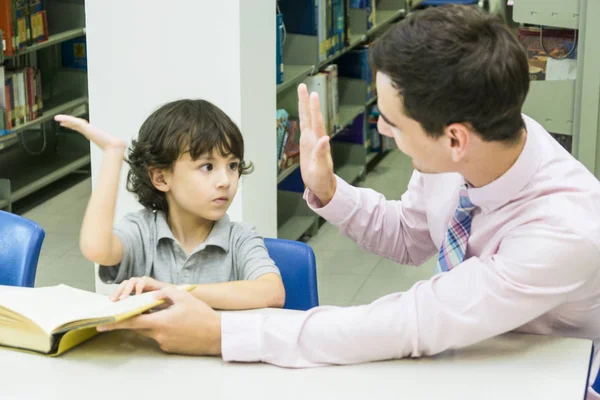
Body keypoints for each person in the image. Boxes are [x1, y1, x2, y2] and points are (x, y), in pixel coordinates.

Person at [97, 5, 600, 397]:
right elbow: (411, 236)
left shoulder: (563, 229)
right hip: (476, 353)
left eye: (391, 122)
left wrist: (220, 336)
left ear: (454, 139)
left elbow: (412, 323)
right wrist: (331, 190)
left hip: (545, 372)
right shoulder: (479, 141)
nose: (379, 127)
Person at [55, 98, 285, 310]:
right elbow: (96, 249)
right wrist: (112, 156)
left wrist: (175, 292)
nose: (225, 181)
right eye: (207, 167)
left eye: (232, 166)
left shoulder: (240, 238)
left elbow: (272, 292)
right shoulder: (141, 232)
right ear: (161, 178)